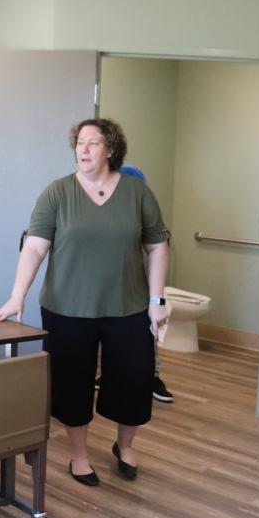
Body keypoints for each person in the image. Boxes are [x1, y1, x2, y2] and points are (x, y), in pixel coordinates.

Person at [0, 118, 170, 486]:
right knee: (72, 385)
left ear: (111, 149)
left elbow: (157, 246)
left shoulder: (137, 193)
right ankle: (80, 456)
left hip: (129, 307)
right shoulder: (57, 193)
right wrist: (17, 295)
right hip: (67, 308)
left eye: (93, 143)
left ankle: (126, 447)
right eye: (80, 143)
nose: (84, 150)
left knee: (134, 381)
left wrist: (157, 300)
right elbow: (36, 246)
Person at [92, 163, 175, 403]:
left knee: (148, 332)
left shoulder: (143, 212)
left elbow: (157, 251)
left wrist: (155, 298)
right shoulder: (101, 213)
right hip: (107, 290)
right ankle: (106, 375)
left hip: (140, 290)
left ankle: (152, 377)